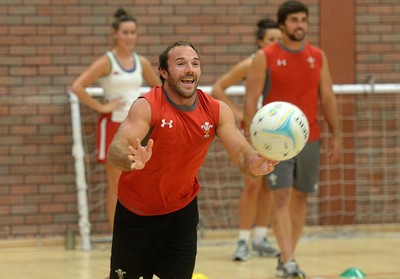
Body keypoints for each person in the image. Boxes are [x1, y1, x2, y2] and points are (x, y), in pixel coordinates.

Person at [106, 40, 278, 279]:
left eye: (195, 64)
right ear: (164, 72)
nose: (190, 69)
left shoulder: (216, 110)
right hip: (137, 213)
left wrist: (254, 163)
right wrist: (130, 158)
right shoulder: (147, 106)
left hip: (181, 213)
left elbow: (242, 153)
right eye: (181, 63)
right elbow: (117, 147)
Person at [243, 1, 341, 278]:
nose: (300, 25)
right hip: (274, 143)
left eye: (304, 20)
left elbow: (328, 97)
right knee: (281, 198)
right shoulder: (266, 56)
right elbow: (251, 99)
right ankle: (288, 261)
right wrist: (253, 140)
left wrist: (337, 135)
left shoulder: (317, 56)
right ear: (283, 24)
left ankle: (288, 256)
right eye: (294, 20)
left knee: (300, 200)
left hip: (310, 138)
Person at [71, 8, 161, 230]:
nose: (129, 36)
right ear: (115, 34)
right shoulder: (107, 61)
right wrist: (102, 106)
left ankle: (136, 230)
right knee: (117, 182)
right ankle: (116, 234)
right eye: (125, 32)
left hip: (137, 128)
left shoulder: (141, 61)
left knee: (136, 180)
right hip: (112, 126)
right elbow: (77, 87)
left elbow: (158, 89)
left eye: (133, 32)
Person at [212, 18, 282, 261]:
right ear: (261, 42)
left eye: (279, 39)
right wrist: (238, 113)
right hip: (253, 130)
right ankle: (243, 240)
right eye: (271, 39)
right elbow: (219, 88)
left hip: (276, 132)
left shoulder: (283, 63)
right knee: (251, 185)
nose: (276, 44)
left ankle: (261, 237)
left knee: (270, 184)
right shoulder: (252, 63)